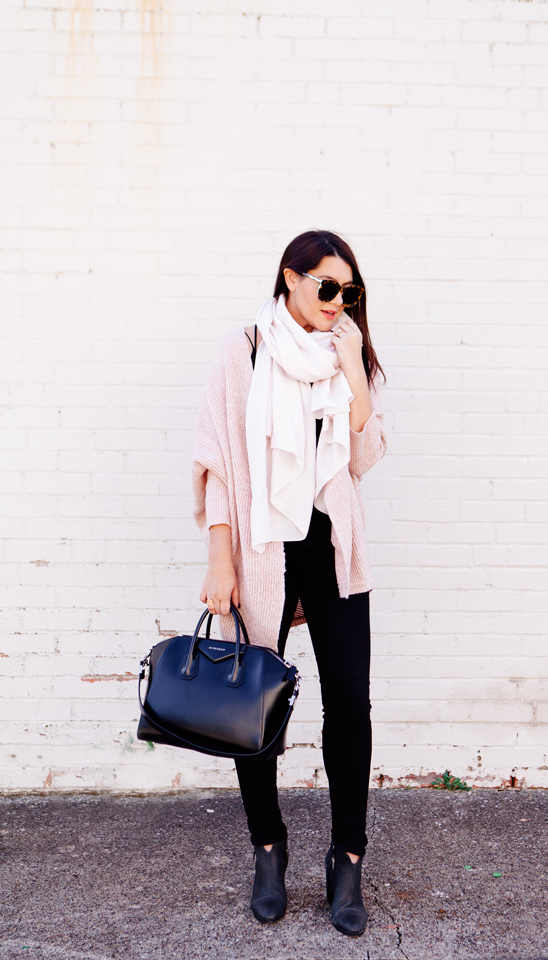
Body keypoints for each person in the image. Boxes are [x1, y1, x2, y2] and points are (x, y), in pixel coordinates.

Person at [192, 230, 386, 936]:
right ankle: (268, 849)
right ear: (290, 278)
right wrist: (221, 560)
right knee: (256, 708)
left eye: (349, 292)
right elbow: (218, 462)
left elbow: (362, 456)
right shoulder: (246, 349)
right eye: (327, 288)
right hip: (262, 549)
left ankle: (348, 860)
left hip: (332, 549)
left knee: (351, 707)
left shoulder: (345, 352)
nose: (338, 302)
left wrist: (355, 369)